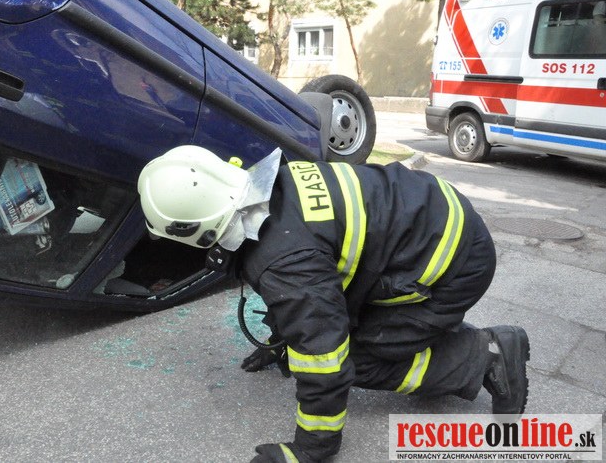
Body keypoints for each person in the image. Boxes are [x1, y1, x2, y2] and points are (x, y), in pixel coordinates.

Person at [137, 145, 529, 463]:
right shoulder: (272, 186)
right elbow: (311, 280)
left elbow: (324, 356)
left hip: (452, 266)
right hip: (431, 218)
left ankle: (486, 356)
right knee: (328, 329)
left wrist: (311, 449)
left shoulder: (284, 261)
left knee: (357, 357)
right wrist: (281, 339)